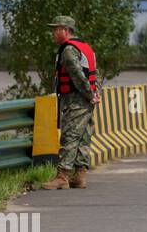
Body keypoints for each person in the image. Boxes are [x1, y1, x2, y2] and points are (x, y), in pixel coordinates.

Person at [39, 16, 101, 190]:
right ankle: (80, 176)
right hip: (87, 100)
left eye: (55, 29)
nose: (53, 33)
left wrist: (89, 94)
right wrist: (96, 94)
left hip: (76, 99)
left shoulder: (68, 50)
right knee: (83, 136)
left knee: (70, 136)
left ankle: (62, 176)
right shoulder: (86, 47)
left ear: (65, 30)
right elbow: (96, 73)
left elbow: (78, 75)